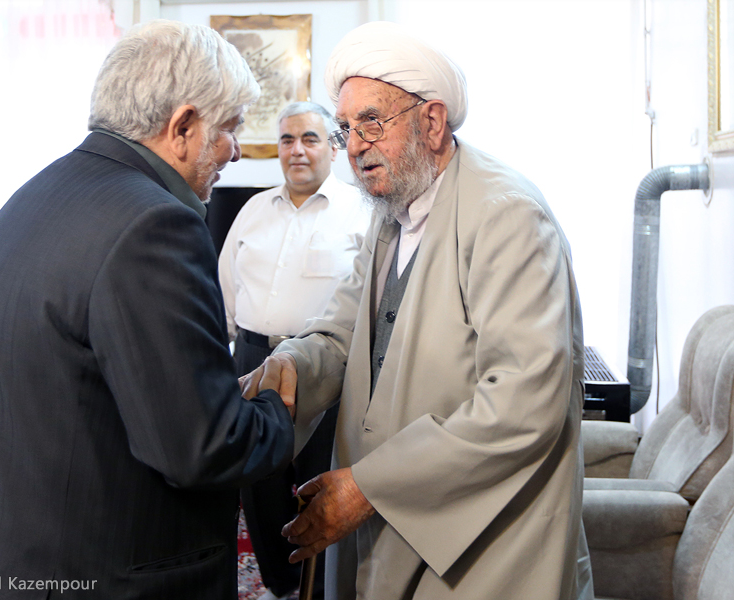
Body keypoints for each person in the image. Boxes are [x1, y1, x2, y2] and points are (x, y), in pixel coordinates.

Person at [0, 20, 294, 600]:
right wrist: (276, 409)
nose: (235, 152)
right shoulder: (156, 226)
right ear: (183, 127)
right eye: (231, 129)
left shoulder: (36, 194)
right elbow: (201, 449)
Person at [242, 22, 594, 600]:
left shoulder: (506, 214)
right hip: (392, 515)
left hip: (485, 544)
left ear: (431, 122)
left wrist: (366, 488)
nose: (355, 146)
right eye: (347, 128)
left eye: (372, 122)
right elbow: (344, 332)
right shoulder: (393, 209)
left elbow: (524, 401)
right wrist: (289, 366)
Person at [218, 102, 370, 600]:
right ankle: (280, 587)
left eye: (309, 138)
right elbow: (224, 291)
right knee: (258, 488)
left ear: (333, 147)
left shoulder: (362, 212)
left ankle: (321, 590)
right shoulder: (253, 211)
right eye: (287, 139)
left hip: (328, 371)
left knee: (323, 488)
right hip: (254, 363)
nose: (297, 150)